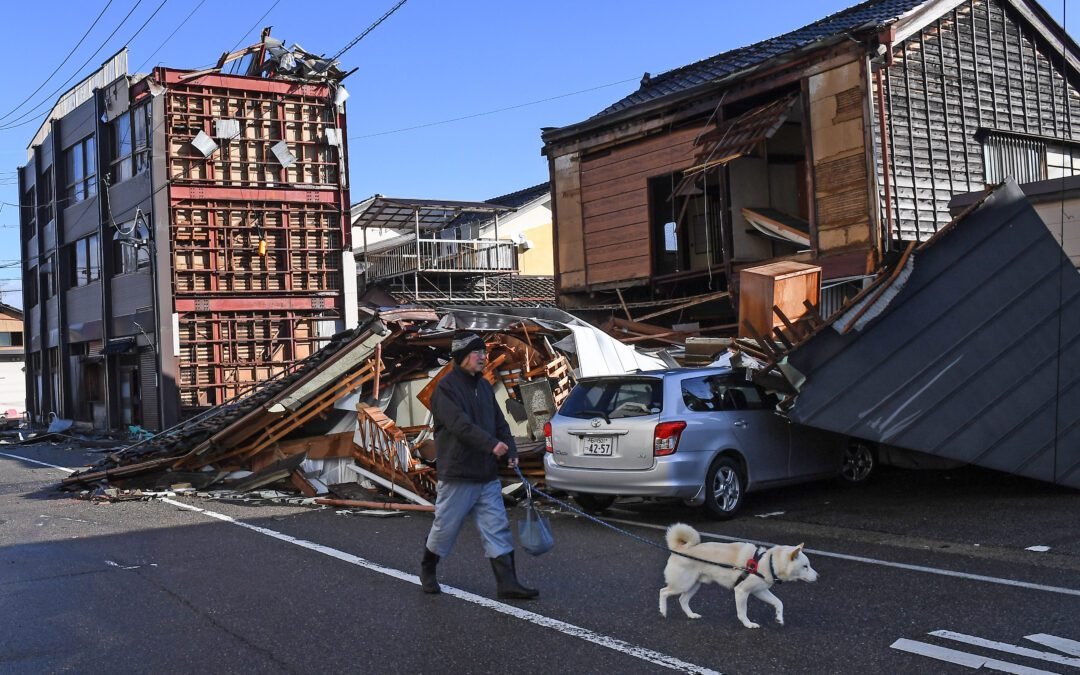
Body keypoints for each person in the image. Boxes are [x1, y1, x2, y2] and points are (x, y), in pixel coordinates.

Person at [420, 332, 539, 600]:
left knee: (497, 526)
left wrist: (509, 447)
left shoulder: (483, 386)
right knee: (445, 528)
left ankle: (507, 582)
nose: (484, 358)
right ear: (462, 356)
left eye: (484, 353)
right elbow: (459, 425)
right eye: (478, 353)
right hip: (458, 474)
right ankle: (428, 570)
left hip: (486, 474)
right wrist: (490, 445)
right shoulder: (446, 389)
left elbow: (499, 421)